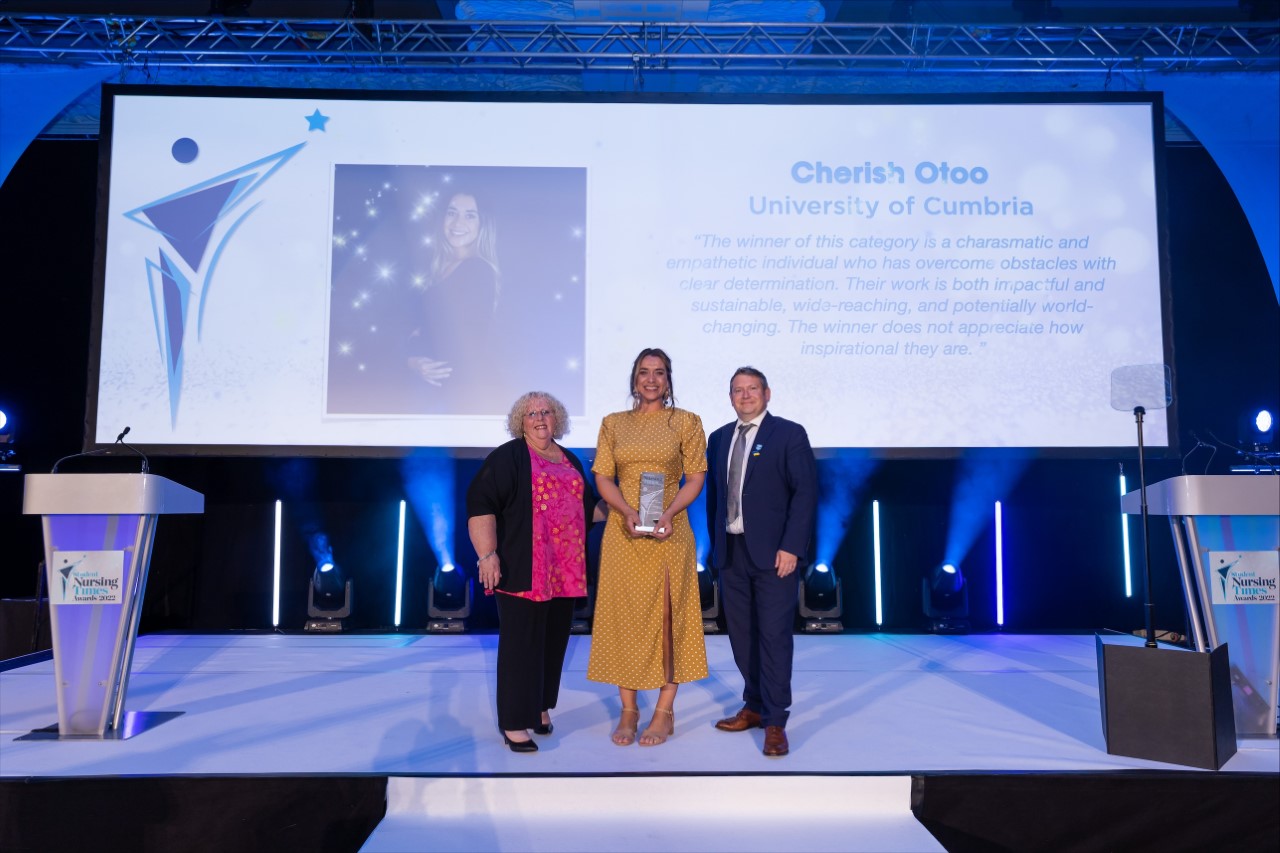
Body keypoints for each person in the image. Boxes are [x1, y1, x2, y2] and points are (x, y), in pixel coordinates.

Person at [466, 390, 605, 753]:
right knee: (520, 646)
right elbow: (481, 504)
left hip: (564, 571)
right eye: (531, 414)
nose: (540, 418)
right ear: (520, 422)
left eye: (546, 412)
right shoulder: (508, 457)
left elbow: (588, 509)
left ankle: (539, 707)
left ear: (556, 418)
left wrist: (631, 508)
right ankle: (514, 721)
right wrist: (487, 555)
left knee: (552, 642)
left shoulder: (570, 459)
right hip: (523, 569)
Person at [587, 348, 708, 746]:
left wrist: (669, 512)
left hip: (669, 533)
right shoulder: (613, 423)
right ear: (634, 379)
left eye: (659, 373)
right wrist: (623, 510)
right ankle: (628, 710)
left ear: (669, 380)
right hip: (624, 533)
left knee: (669, 618)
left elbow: (695, 478)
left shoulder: (686, 422)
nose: (651, 380)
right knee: (623, 619)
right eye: (644, 373)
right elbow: (603, 477)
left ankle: (663, 711)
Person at [704, 367, 817, 757]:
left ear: (767, 394)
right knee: (741, 637)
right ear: (730, 396)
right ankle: (753, 705)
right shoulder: (719, 438)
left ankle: (775, 721)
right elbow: (715, 500)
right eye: (738, 390)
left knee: (773, 637)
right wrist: (715, 549)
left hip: (774, 557)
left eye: (753, 389)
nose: (745, 395)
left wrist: (792, 547)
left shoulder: (789, 434)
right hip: (732, 554)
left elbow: (804, 494)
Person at [407, 190, 502, 410]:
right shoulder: (438, 269)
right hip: (430, 389)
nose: (458, 222)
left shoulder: (477, 270)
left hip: (452, 390)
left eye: (470, 215)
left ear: (482, 224)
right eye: (452, 213)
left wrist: (413, 346)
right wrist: (411, 360)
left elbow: (458, 340)